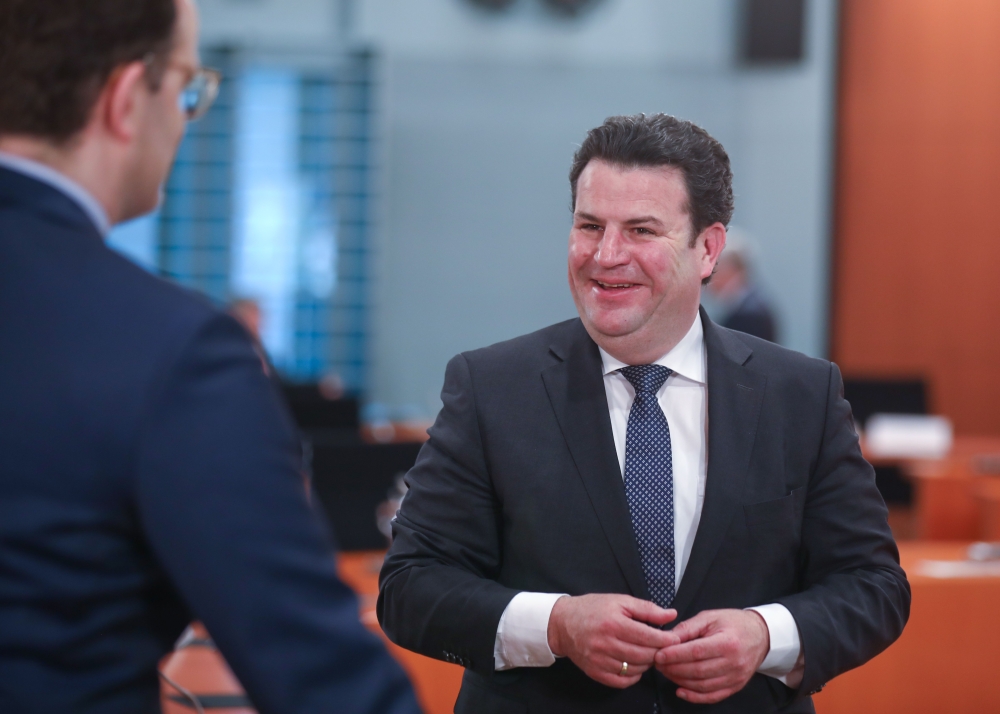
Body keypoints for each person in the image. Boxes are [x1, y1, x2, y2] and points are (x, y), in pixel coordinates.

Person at [378, 114, 909, 713]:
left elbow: (874, 587)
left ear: (707, 249)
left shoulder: (801, 395)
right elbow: (410, 589)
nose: (606, 255)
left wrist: (766, 636)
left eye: (640, 230)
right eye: (589, 225)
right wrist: (556, 625)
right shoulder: (490, 388)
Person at [0, 1, 419, 712]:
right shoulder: (170, 352)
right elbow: (326, 684)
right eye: (187, 89)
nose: (187, 122)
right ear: (127, 98)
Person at [704, 230, 778, 342]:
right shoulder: (748, 304)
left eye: (712, 266)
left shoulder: (749, 314)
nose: (706, 273)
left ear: (729, 269)